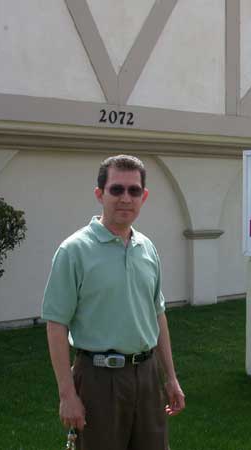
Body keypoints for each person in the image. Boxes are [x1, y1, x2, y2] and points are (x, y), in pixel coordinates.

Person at [42, 155, 185, 450]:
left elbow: (157, 315)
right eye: (116, 189)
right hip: (97, 380)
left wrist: (170, 377)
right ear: (100, 194)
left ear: (143, 197)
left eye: (134, 191)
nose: (125, 198)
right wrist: (67, 395)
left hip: (147, 377)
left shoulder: (147, 248)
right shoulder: (73, 251)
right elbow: (56, 325)